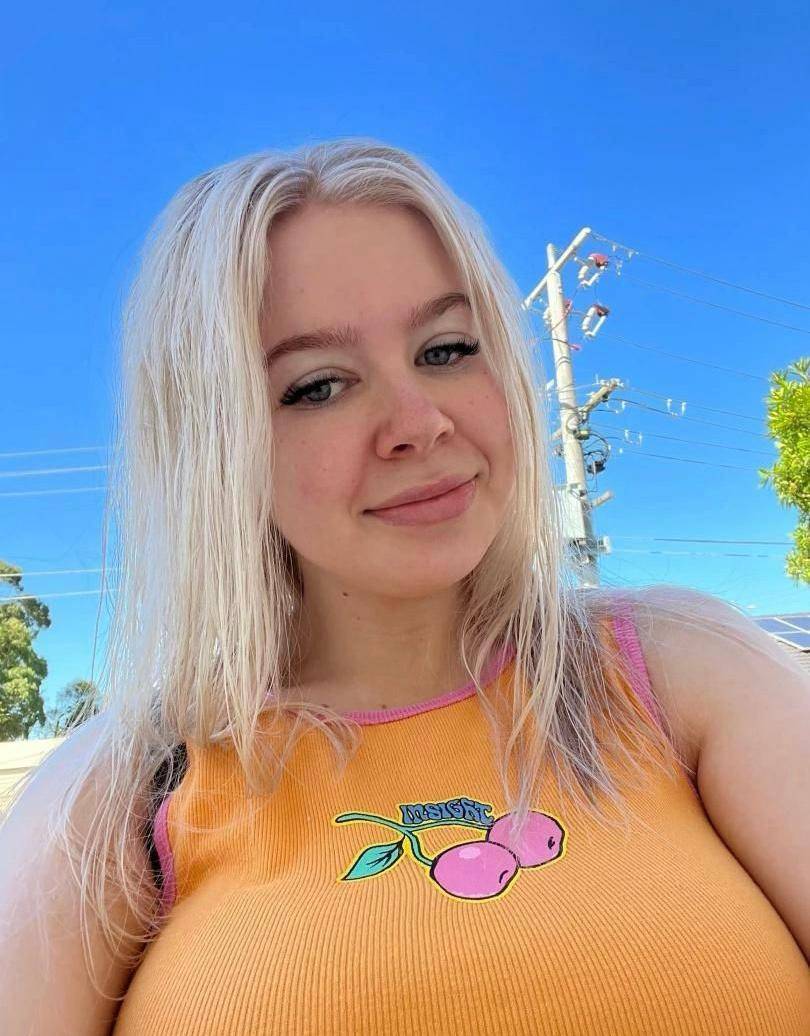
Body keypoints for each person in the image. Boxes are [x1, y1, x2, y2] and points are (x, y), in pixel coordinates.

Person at [1, 138, 808, 1035]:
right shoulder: (119, 791)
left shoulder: (684, 672)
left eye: (447, 348)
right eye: (317, 387)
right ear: (217, 446)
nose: (419, 424)